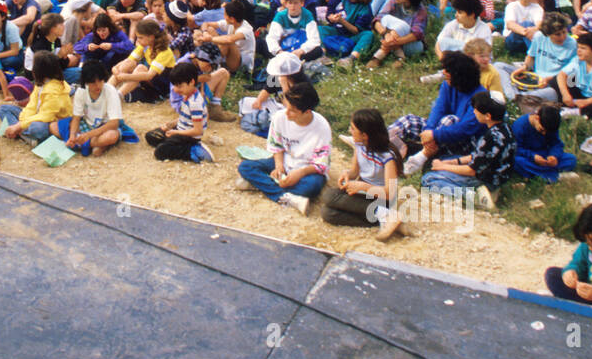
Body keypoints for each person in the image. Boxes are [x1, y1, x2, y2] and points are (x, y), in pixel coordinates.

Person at [236, 82, 331, 214]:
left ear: (307, 112)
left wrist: (300, 173)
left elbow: (322, 164)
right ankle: (287, 197)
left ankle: (260, 184)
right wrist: (279, 166)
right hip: (286, 162)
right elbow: (276, 146)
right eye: (286, 107)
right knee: (245, 166)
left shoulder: (321, 126)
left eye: (292, 110)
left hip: (307, 169)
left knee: (311, 187)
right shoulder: (279, 117)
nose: (287, 113)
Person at [319, 108, 407, 240]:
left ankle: (384, 214)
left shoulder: (388, 157)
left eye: (353, 129)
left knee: (329, 196)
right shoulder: (359, 145)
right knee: (327, 213)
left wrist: (363, 187)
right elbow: (355, 171)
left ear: (365, 135)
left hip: (381, 197)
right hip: (363, 194)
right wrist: (347, 174)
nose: (350, 131)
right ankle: (386, 218)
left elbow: (391, 193)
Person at [420, 91, 516, 201]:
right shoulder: (506, 129)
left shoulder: (491, 137)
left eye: (476, 110)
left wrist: (441, 167)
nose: (474, 112)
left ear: (487, 116)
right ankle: (488, 191)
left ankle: (475, 197)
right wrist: (449, 163)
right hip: (498, 175)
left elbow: (472, 170)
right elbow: (478, 156)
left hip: (486, 178)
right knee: (444, 159)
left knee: (428, 179)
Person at [145, 62, 215, 163]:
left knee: (160, 152)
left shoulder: (195, 103)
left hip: (189, 137)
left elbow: (198, 131)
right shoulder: (188, 94)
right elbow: (186, 118)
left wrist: (176, 132)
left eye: (179, 86)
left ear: (191, 82)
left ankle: (192, 151)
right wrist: (170, 125)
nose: (175, 89)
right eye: (174, 85)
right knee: (151, 136)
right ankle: (173, 143)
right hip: (180, 129)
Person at [0, 51, 72, 144]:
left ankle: (24, 135)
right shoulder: (40, 83)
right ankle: (25, 135)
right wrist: (21, 122)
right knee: (3, 109)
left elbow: (46, 116)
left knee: (37, 128)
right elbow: (31, 106)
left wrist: (18, 126)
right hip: (36, 117)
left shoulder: (54, 91)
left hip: (50, 122)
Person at [64, 60, 128, 157]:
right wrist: (72, 136)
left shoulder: (110, 91)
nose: (98, 85)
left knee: (111, 136)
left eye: (100, 81)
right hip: (87, 124)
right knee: (54, 126)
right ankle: (94, 144)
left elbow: (114, 123)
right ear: (86, 82)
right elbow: (76, 118)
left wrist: (88, 135)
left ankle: (83, 145)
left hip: (104, 126)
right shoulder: (81, 91)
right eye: (93, 83)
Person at [511, 105, 575, 181]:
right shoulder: (519, 126)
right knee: (517, 162)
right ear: (537, 118)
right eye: (542, 130)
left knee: (571, 159)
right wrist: (533, 156)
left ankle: (537, 175)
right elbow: (516, 148)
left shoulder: (550, 126)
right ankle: (554, 176)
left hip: (544, 155)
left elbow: (556, 144)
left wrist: (554, 156)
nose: (544, 133)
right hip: (527, 156)